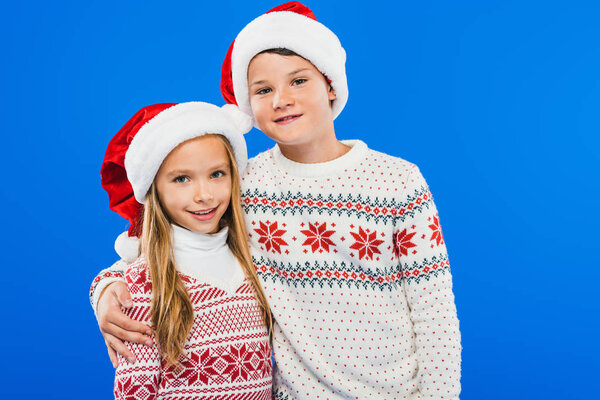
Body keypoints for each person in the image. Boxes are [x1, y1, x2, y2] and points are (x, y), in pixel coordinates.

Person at [92, 2, 462, 399]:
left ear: (331, 84)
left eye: (299, 81)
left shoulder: (398, 182)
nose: (281, 99)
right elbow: (174, 243)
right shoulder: (244, 183)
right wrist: (106, 288)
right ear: (248, 104)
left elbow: (434, 313)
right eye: (264, 90)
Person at [99, 101, 273, 399]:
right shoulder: (143, 284)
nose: (204, 195)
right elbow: (135, 392)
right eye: (182, 179)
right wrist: (103, 288)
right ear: (154, 190)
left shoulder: (253, 260)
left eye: (217, 174)